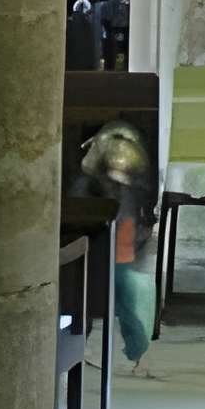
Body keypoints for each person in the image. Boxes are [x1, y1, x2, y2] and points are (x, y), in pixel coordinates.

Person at [74, 118, 157, 373]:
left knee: (118, 289)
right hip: (100, 227)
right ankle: (80, 346)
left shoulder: (123, 160)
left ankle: (135, 349)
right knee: (91, 289)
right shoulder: (100, 165)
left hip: (118, 227)